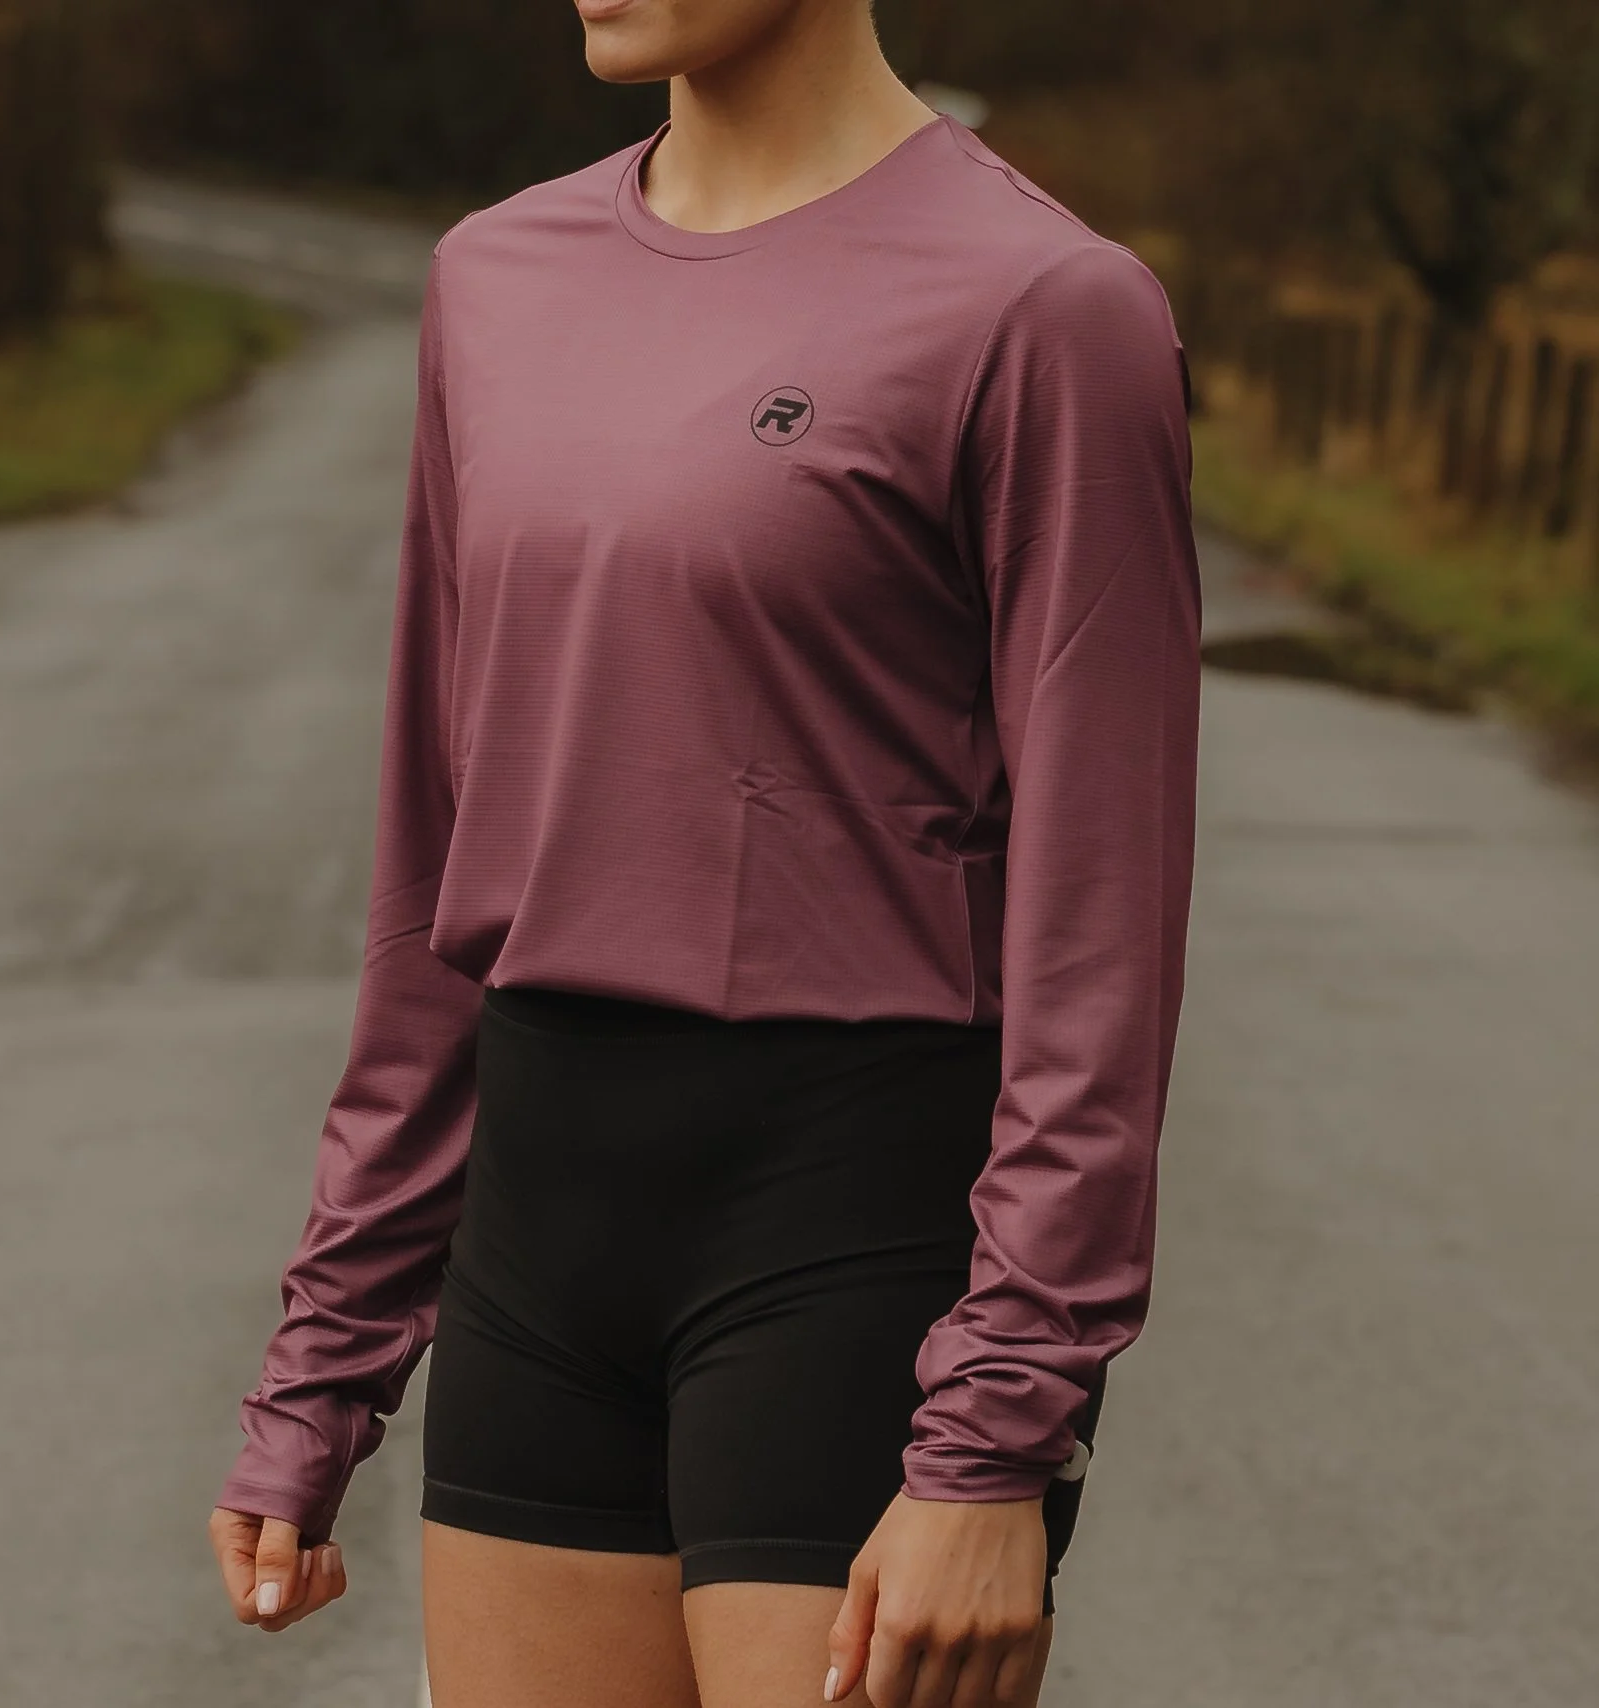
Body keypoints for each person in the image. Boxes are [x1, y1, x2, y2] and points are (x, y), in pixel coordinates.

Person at [206, 2, 1203, 1705]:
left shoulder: (1047, 309)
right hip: (540, 1237)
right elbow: (434, 861)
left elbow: (1098, 935)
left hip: (853, 1243)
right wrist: (327, 1362)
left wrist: (1005, 1429)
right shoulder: (494, 278)